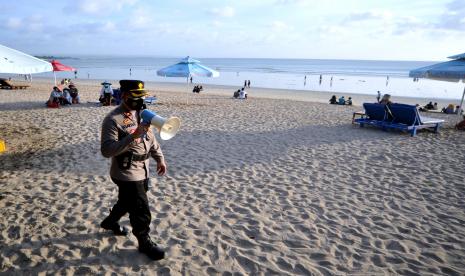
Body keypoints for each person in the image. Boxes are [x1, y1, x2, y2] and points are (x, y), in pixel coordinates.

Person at [100, 80, 166, 261]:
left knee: (127, 201)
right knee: (140, 209)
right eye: (135, 98)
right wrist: (132, 137)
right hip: (126, 172)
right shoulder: (113, 119)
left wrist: (159, 158)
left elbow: (151, 140)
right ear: (124, 96)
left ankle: (110, 222)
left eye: (142, 97)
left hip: (143, 169)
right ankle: (144, 242)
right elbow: (107, 150)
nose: (140, 101)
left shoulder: (142, 114)